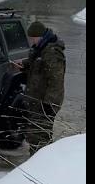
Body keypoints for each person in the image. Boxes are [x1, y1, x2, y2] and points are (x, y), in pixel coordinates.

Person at [14, 20, 66, 155]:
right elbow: (37, 65)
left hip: (44, 103)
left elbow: (56, 81)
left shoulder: (52, 53)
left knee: (40, 136)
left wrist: (49, 105)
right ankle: (38, 161)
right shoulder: (41, 50)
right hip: (36, 100)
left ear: (40, 36)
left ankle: (41, 165)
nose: (31, 41)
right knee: (34, 133)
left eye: (33, 38)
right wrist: (25, 65)